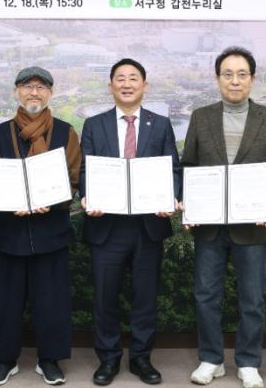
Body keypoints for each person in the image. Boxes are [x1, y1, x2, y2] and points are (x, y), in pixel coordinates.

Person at [181, 47, 266, 388]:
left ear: (252, 79)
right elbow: (189, 166)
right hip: (209, 225)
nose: (235, 80)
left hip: (252, 225)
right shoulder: (201, 117)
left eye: (242, 74)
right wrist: (191, 204)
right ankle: (211, 358)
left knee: (252, 299)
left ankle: (248, 361)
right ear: (218, 79)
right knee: (206, 295)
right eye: (227, 74)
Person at [79, 58, 181, 386]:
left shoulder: (160, 124)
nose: (126, 84)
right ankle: (108, 359)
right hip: (106, 224)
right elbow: (86, 169)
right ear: (111, 86)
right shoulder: (94, 125)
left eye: (133, 78)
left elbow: (173, 168)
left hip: (148, 225)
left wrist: (170, 197)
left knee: (145, 297)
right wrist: (88, 196)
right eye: (120, 78)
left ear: (144, 86)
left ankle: (141, 358)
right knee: (105, 297)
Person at [0, 66, 81, 386]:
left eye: (41, 87)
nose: (34, 92)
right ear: (17, 92)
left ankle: (49, 359)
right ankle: (4, 360)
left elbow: (73, 176)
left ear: (50, 93)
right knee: (6, 300)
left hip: (51, 229)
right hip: (10, 230)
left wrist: (53, 201)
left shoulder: (65, 132)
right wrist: (9, 202)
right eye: (27, 86)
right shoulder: (0, 133)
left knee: (51, 300)